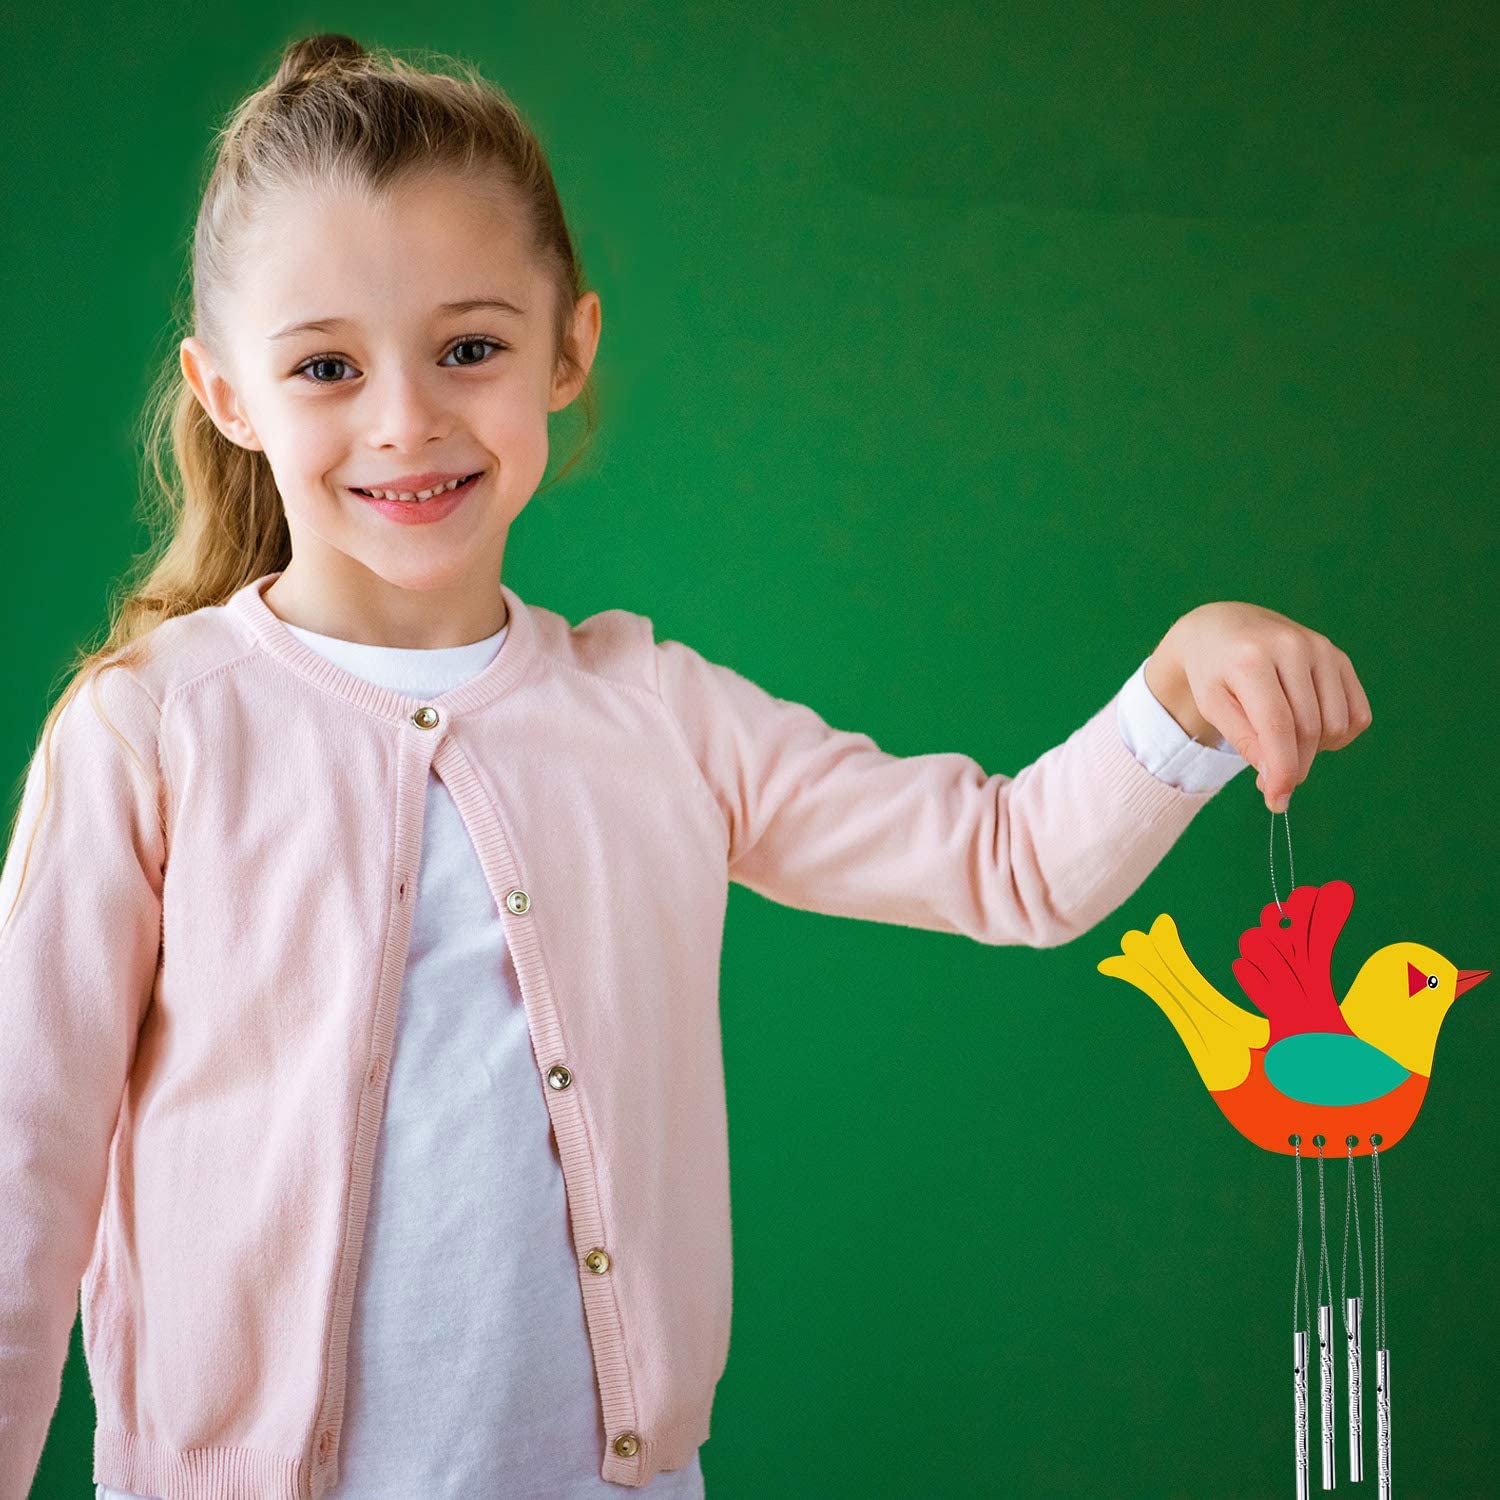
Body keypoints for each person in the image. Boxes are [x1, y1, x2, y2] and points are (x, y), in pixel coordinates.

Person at [0, 31, 1373, 1500]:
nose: (404, 418)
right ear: (227, 396)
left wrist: (1184, 690)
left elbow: (1009, 865)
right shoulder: (152, 730)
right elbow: (26, 1177)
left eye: (471, 347)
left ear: (567, 349)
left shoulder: (656, 715)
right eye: (326, 366)